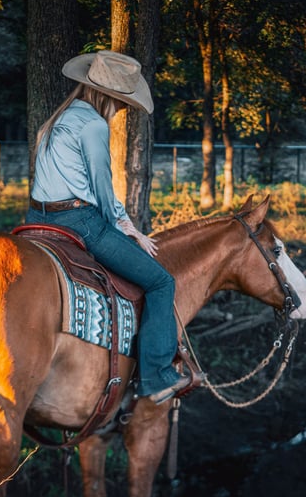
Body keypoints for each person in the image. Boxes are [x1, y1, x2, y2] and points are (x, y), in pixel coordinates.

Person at [26, 50, 191, 405]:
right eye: (121, 105)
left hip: (37, 219)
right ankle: (157, 377)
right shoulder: (94, 125)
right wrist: (127, 227)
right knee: (162, 282)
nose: (119, 113)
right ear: (111, 98)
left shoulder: (61, 117)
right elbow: (102, 186)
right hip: (78, 220)